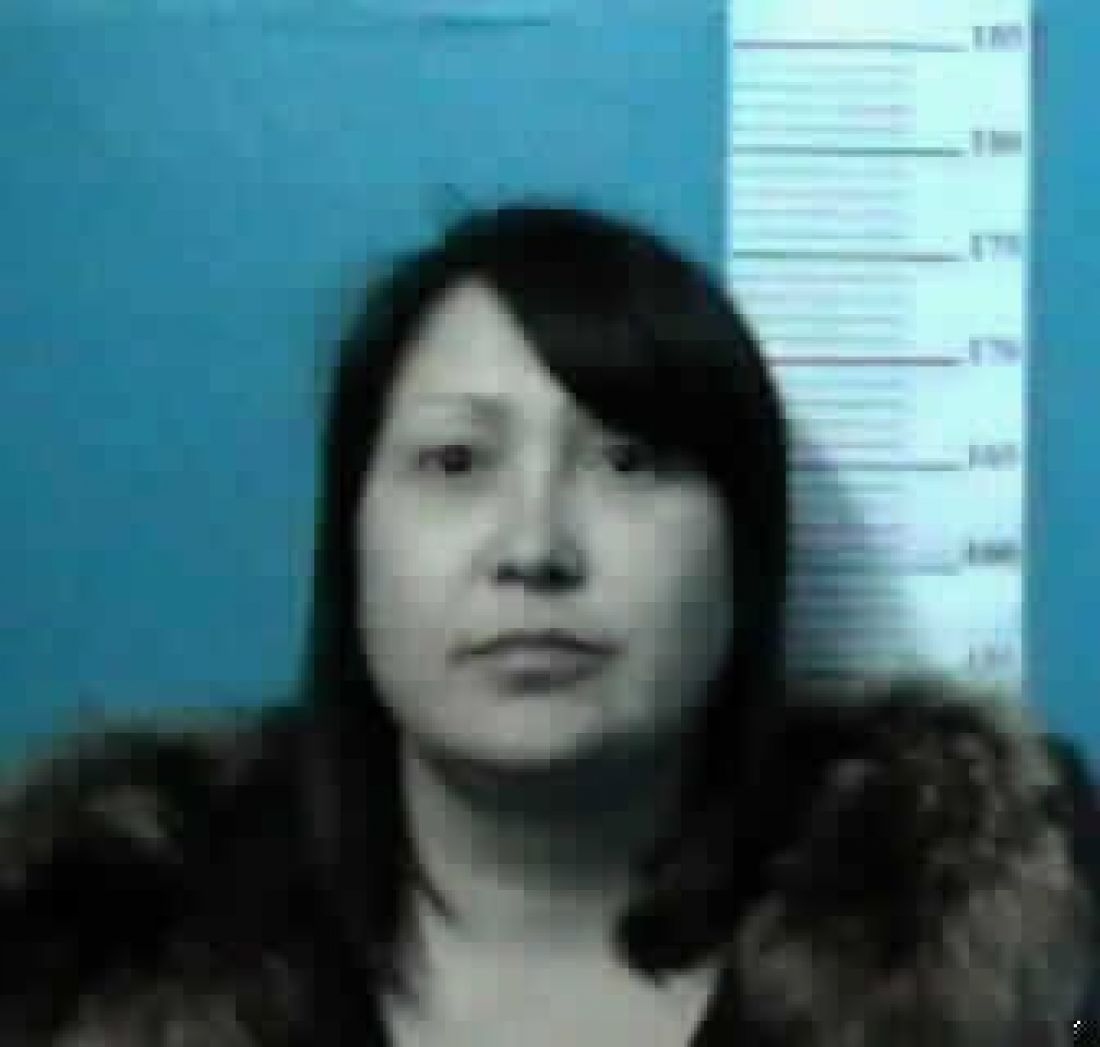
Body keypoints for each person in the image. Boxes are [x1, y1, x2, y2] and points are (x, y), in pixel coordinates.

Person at [1, 203, 1096, 1047]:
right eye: (455, 461)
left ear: (746, 556)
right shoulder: (78, 955)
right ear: (350, 548)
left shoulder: (1028, 970)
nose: (533, 547)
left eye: (629, 462)